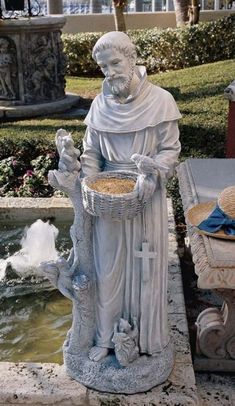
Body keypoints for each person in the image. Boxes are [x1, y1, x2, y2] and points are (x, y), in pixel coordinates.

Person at [80, 31, 181, 362]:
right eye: (103, 67)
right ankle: (105, 338)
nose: (109, 72)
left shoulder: (161, 100)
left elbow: (170, 150)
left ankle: (144, 340)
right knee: (107, 271)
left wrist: (153, 172)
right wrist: (88, 179)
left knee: (145, 271)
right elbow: (92, 151)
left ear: (132, 58)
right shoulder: (99, 105)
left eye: (115, 63)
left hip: (145, 196)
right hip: (109, 199)